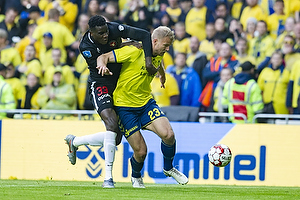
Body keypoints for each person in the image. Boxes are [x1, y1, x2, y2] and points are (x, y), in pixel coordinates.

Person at [64, 15, 157, 188]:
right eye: (101, 33)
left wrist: (148, 61)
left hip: (120, 86)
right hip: (101, 84)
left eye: (106, 31)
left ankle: (75, 142)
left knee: (115, 139)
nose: (106, 35)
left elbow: (145, 35)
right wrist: (125, 45)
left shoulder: (114, 28)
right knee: (112, 125)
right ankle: (108, 178)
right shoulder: (86, 47)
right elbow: (103, 57)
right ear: (91, 32)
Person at [97, 26, 188, 188]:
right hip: (124, 108)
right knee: (141, 152)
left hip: (145, 103)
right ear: (154, 41)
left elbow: (158, 63)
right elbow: (103, 57)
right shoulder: (134, 51)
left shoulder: (159, 54)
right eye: (165, 45)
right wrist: (102, 66)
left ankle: (168, 168)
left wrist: (162, 74)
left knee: (168, 135)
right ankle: (136, 176)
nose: (167, 49)